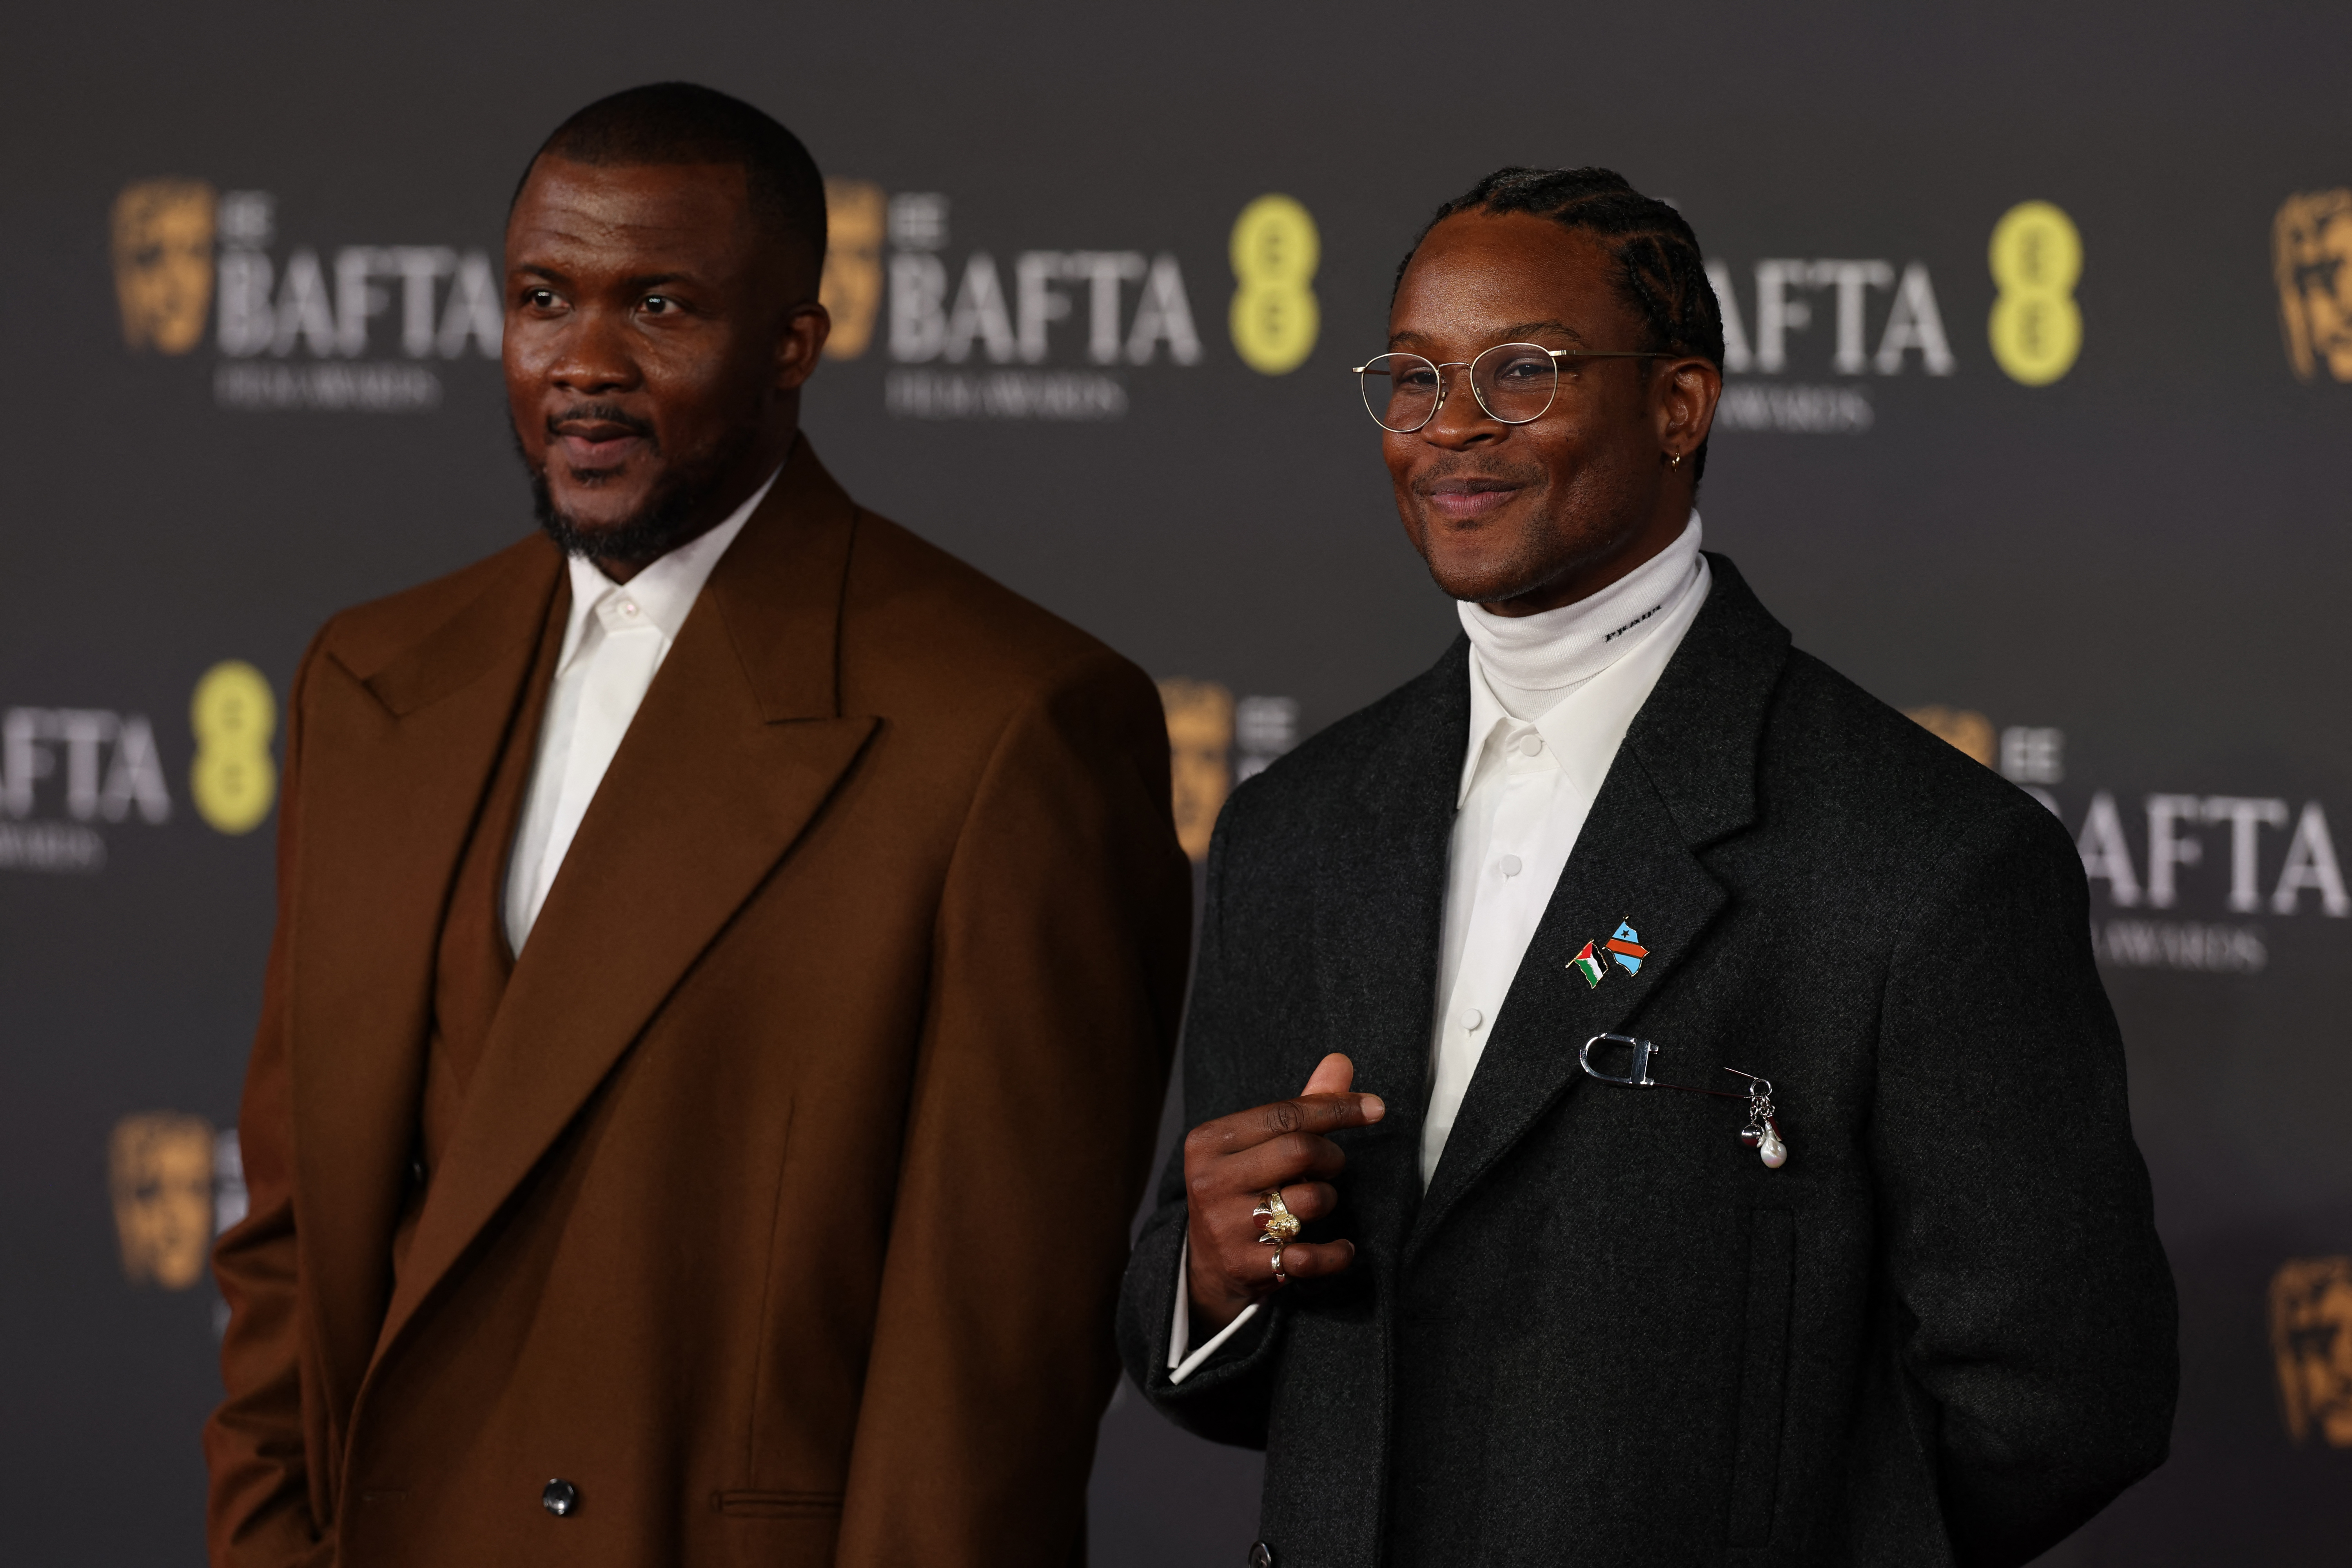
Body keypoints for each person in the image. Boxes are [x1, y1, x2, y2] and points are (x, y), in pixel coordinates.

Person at [1118, 167, 2177, 1568]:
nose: (1451, 427)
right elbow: (1208, 1326)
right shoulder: (1294, 830)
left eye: (1522, 371)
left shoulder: (1926, 859)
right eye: (1416, 377)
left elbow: (2064, 1399)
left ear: (1680, 406)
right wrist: (1211, 1275)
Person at [204, 83, 1192, 1568]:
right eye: (544, 298)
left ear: (793, 344)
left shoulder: (1016, 726)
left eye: (658, 306)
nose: (584, 364)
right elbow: (293, 1234)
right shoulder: (369, 678)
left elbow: (988, 1372)